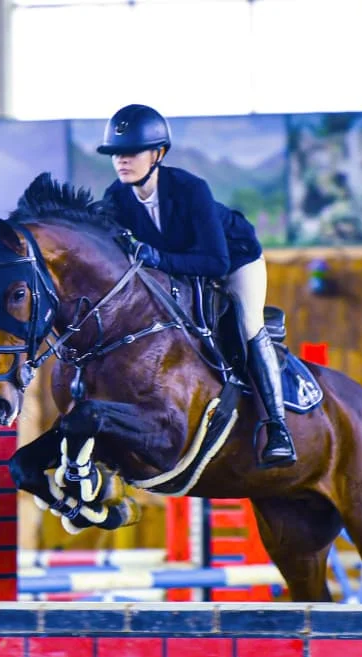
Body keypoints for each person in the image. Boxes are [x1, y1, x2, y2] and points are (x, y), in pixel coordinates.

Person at [97, 103, 296, 469]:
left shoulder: (190, 189)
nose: (122, 160)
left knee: (247, 323)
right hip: (179, 269)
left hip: (234, 259)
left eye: (131, 152)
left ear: (158, 154)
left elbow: (214, 262)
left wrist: (155, 258)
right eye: (116, 154)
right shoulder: (115, 198)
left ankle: (277, 426)